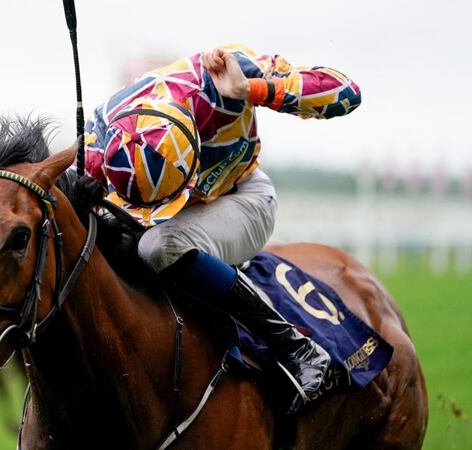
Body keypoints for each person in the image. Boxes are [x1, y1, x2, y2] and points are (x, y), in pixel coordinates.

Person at [82, 45, 361, 414]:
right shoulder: (96, 137)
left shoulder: (222, 75)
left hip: (244, 198)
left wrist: (254, 91)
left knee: (158, 247)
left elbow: (347, 93)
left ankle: (297, 348)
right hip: (160, 216)